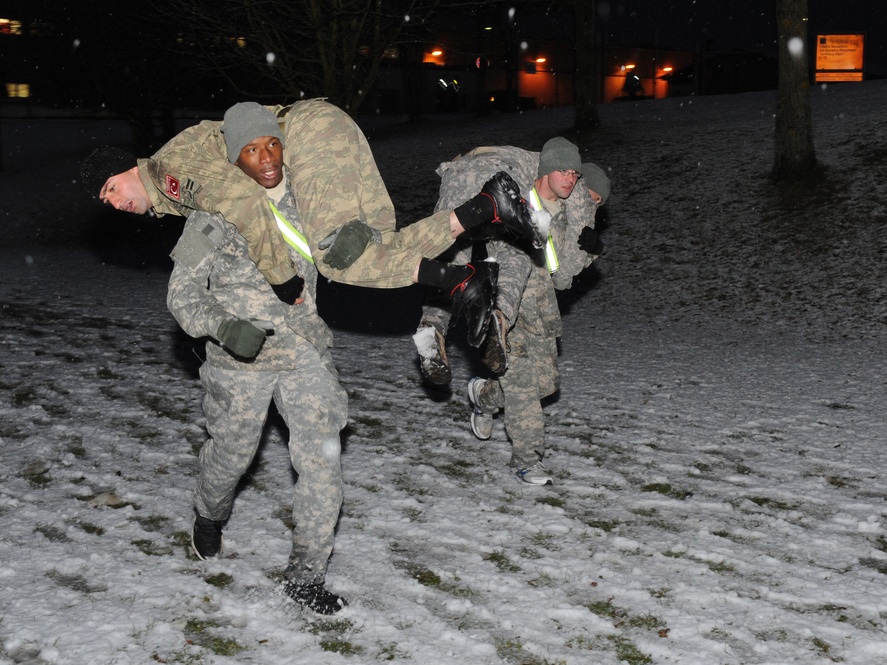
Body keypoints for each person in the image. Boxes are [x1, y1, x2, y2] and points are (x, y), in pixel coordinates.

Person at [82, 99, 544, 343]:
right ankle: (488, 205)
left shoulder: (168, 173)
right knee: (376, 251)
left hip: (304, 136)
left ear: (123, 170)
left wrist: (281, 279)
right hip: (320, 127)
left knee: (337, 261)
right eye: (107, 202)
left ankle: (461, 282)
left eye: (111, 191)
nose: (115, 204)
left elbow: (244, 205)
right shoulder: (174, 177)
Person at [164, 107, 350, 615]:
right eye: (252, 149)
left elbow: (345, 251)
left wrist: (358, 246)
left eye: (273, 144)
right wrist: (223, 326)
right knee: (231, 459)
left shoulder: (308, 199)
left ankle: (306, 574)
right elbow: (180, 295)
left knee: (322, 460)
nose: (266, 158)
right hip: (237, 358)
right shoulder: (213, 212)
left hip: (302, 350)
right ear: (235, 157)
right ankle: (208, 513)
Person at [419, 138, 610, 485]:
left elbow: (563, 278)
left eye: (596, 202)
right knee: (522, 386)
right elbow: (495, 250)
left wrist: (588, 252)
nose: (588, 202)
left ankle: (483, 396)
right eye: (589, 195)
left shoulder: (567, 212)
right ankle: (527, 460)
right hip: (507, 296)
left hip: (541, 308)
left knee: (545, 384)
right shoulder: (519, 194)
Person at [413, 141, 609, 384]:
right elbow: (562, 275)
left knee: (452, 253)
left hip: (458, 173)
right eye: (594, 199)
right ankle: (500, 318)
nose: (571, 179)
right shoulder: (575, 189)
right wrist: (586, 251)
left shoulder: (537, 160)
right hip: (498, 183)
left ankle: (432, 326)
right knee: (519, 252)